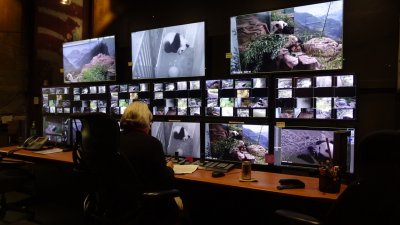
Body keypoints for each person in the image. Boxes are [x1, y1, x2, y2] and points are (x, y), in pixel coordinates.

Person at [119, 101, 178, 224]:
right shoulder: (152, 143)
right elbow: (165, 181)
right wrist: (169, 167)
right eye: (150, 122)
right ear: (145, 121)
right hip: (147, 205)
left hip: (118, 203)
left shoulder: (113, 140)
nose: (150, 126)